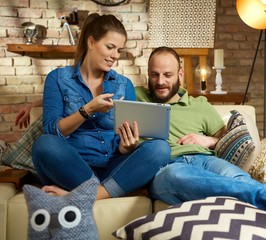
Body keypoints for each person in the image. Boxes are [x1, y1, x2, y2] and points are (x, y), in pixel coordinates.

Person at [135, 46, 266, 235]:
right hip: (165, 168)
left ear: (180, 74)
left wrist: (208, 140)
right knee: (176, 175)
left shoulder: (199, 105)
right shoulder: (135, 97)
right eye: (154, 75)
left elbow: (224, 137)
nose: (161, 81)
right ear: (148, 74)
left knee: (237, 179)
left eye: (168, 74)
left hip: (206, 160)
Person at [31, 14, 170, 200]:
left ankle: (92, 195)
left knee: (160, 148)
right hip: (74, 167)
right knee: (44, 144)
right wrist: (87, 110)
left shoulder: (123, 84)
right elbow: (53, 130)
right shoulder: (58, 78)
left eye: (119, 50)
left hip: (113, 166)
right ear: (91, 42)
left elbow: (122, 143)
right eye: (110, 47)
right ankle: (111, 190)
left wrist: (127, 146)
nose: (115, 56)